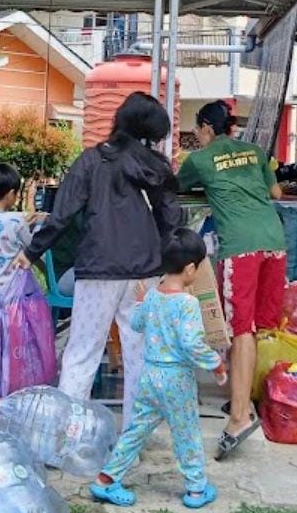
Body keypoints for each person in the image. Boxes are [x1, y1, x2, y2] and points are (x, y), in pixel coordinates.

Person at [15, 92, 182, 427]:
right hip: (145, 272)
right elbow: (171, 220)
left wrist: (32, 250)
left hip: (99, 268)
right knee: (139, 355)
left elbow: (61, 214)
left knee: (83, 352)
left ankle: (68, 433)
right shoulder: (155, 167)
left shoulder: (91, 161)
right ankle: (133, 438)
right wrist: (173, 266)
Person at [176, 100, 285, 460]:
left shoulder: (200, 160)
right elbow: (276, 194)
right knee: (255, 328)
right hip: (274, 241)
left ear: (207, 128)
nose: (198, 137)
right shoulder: (256, 152)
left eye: (198, 131)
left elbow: (176, 189)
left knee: (240, 329)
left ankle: (239, 417)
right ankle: (245, 405)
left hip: (241, 246)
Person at [90, 229, 227, 509]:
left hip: (150, 376)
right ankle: (196, 489)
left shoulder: (152, 296)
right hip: (176, 378)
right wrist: (215, 363)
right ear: (191, 269)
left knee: (136, 430)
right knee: (187, 432)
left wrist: (141, 303)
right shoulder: (188, 303)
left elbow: (137, 324)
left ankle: (106, 479)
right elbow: (191, 343)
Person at [0, 162, 44, 396]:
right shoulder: (16, 222)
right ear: (11, 194)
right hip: (12, 299)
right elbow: (31, 245)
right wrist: (30, 219)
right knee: (12, 346)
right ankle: (8, 392)